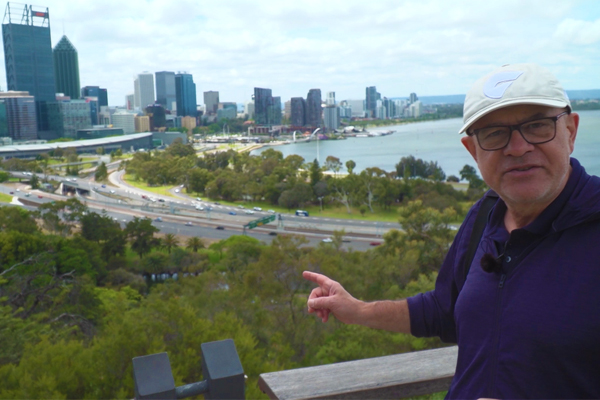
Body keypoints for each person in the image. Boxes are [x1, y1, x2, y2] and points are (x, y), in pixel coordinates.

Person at [303, 63, 600, 399]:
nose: (518, 147)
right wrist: (358, 310)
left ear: (571, 132)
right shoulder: (485, 215)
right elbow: (445, 310)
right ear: (472, 151)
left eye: (537, 126)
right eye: (494, 134)